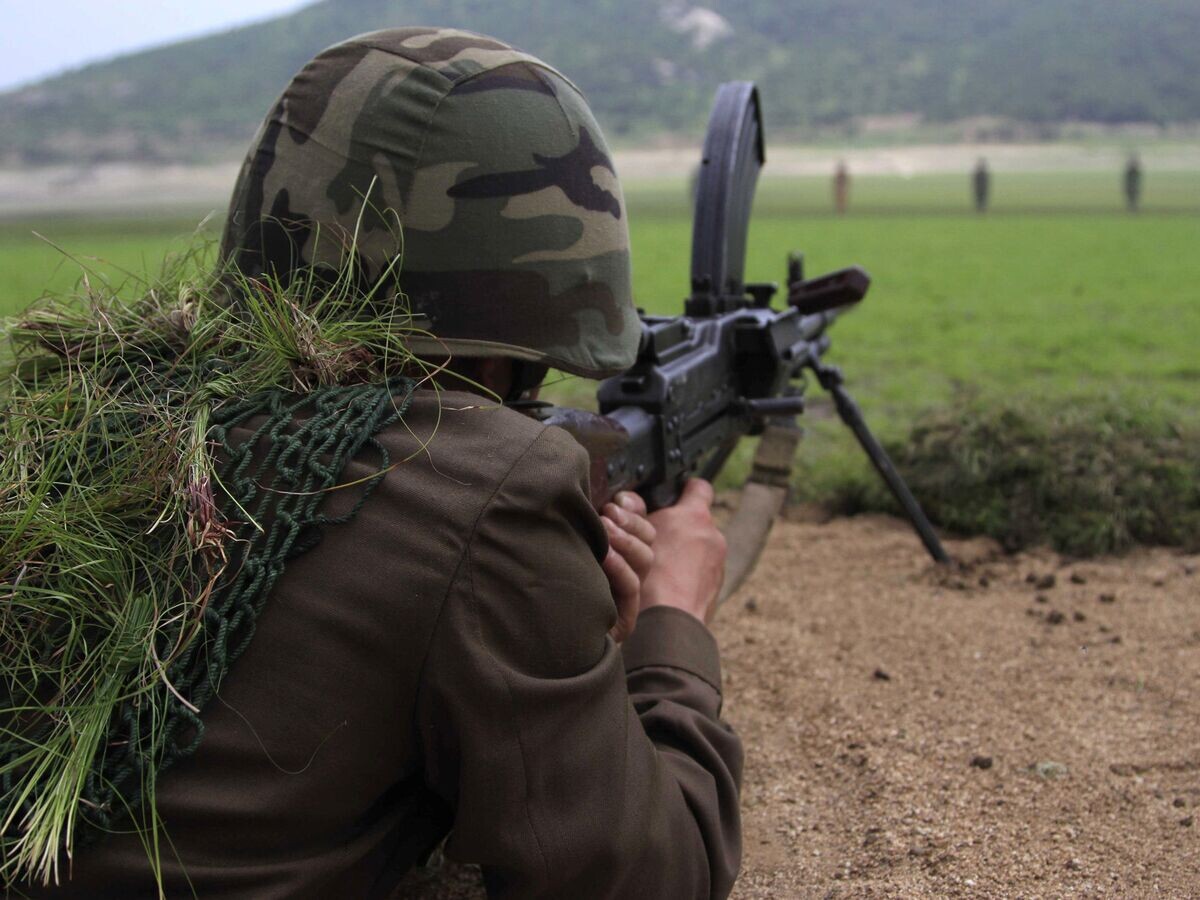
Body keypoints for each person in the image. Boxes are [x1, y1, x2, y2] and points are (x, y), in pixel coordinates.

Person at [19, 27, 743, 899]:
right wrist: (672, 622)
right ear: (506, 345)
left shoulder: (110, 416)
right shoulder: (487, 491)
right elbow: (651, 877)